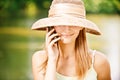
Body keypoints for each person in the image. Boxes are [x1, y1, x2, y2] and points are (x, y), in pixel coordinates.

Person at [31, 0, 111, 80]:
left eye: (73, 23)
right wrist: (52, 60)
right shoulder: (40, 60)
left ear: (81, 26)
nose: (67, 29)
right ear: (52, 25)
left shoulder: (99, 62)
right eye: (60, 22)